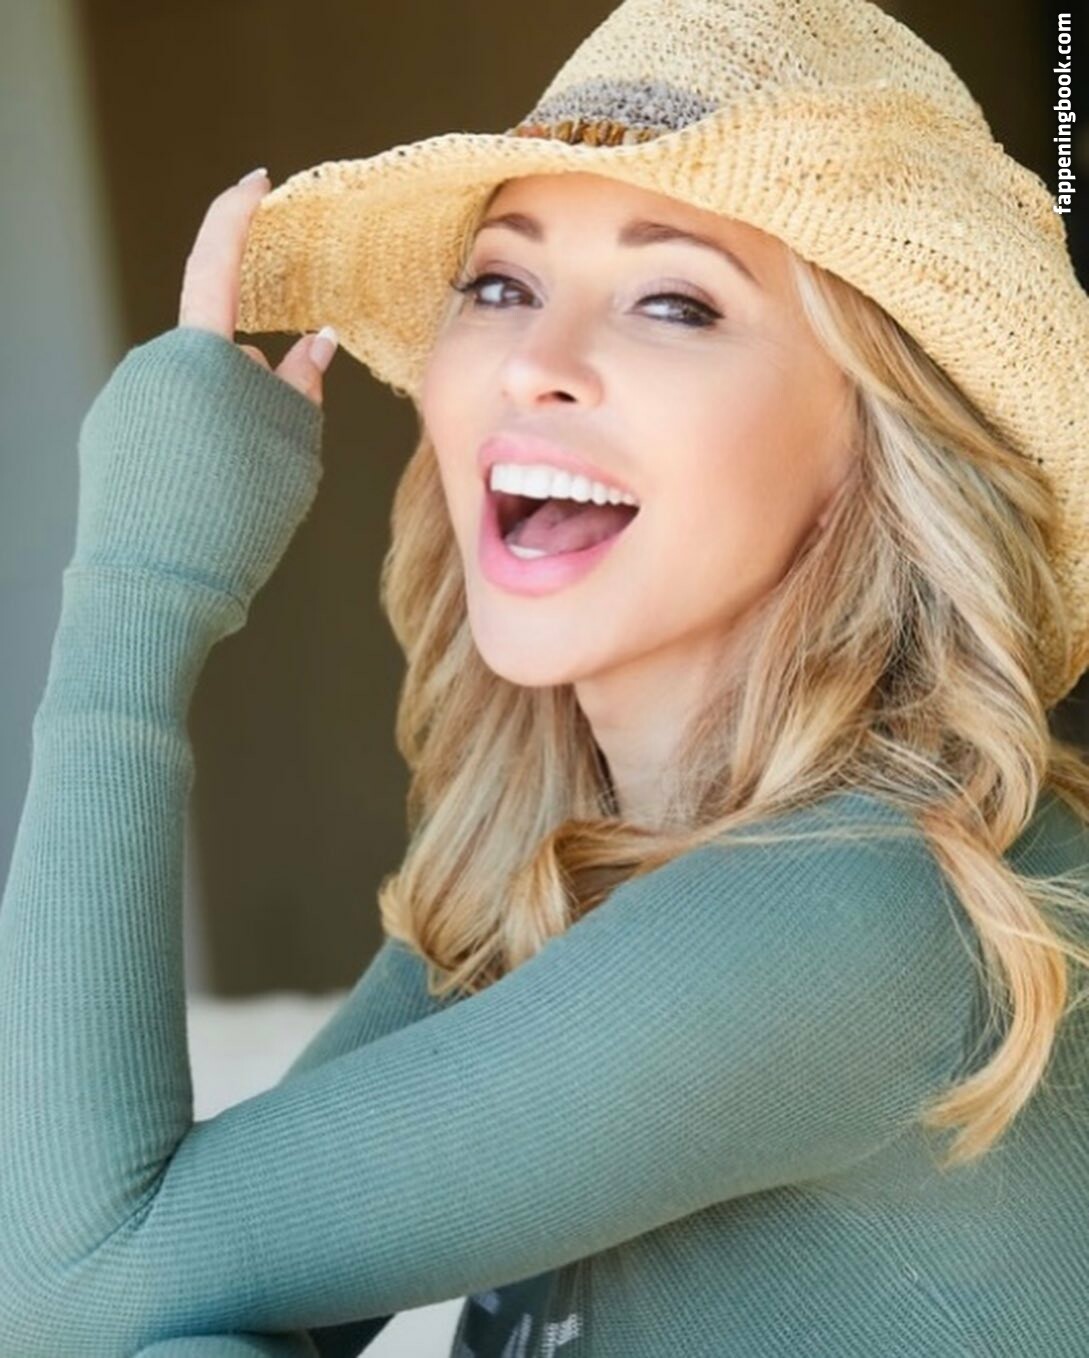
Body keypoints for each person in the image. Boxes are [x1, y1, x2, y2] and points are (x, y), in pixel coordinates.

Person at [3, 1, 1089, 1354]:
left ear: (874, 440)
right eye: (501, 285)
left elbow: (68, 1286)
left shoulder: (860, 906)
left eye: (674, 302)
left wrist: (138, 585)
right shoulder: (573, 852)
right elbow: (143, 1292)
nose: (533, 364)